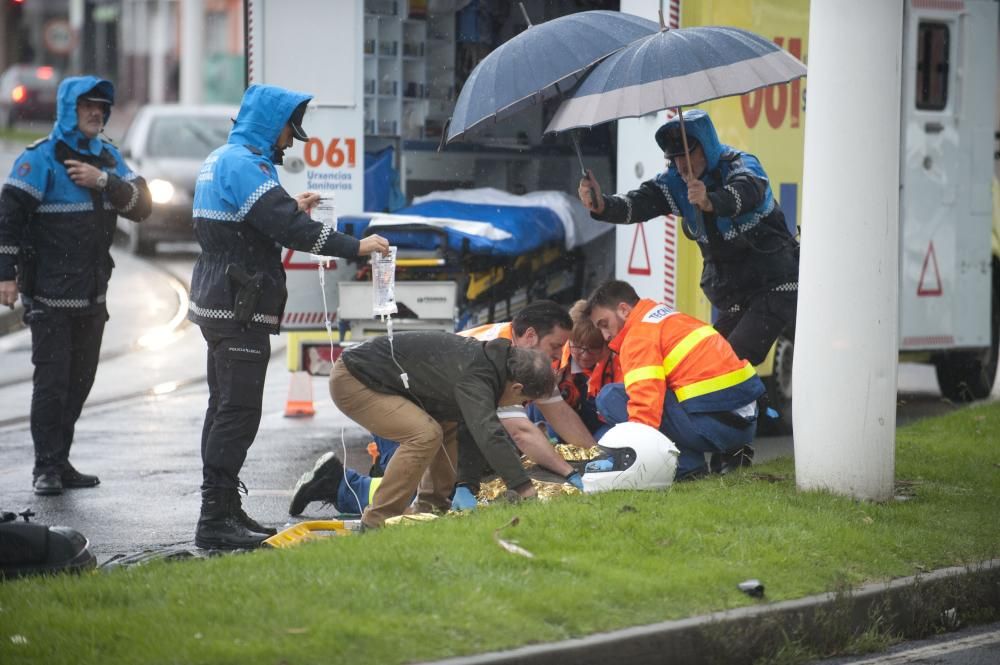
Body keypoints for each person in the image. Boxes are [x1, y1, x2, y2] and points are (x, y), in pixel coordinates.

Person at [189, 83, 389, 550]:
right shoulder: (245, 164)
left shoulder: (222, 159)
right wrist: (355, 247)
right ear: (270, 125)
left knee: (222, 409)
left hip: (221, 300)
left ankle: (224, 507)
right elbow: (288, 229)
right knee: (236, 414)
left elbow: (242, 223)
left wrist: (285, 208)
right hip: (238, 305)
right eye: (287, 132)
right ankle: (214, 519)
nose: (289, 142)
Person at [0, 76, 152, 496]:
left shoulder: (108, 158)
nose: (96, 113)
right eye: (87, 106)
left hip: (92, 295)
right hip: (48, 294)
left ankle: (61, 460)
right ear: (70, 109)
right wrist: (6, 275)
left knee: (79, 382)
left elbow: (143, 207)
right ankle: (45, 468)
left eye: (102, 107)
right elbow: (8, 217)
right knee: (51, 383)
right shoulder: (40, 159)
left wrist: (103, 181)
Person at [578, 109, 798, 368]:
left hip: (776, 286)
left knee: (730, 364)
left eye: (688, 152)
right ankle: (751, 408)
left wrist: (710, 201)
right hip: (736, 298)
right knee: (702, 364)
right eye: (674, 156)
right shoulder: (674, 182)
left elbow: (748, 189)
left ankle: (756, 409)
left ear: (707, 146)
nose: (681, 164)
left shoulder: (741, 164)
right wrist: (602, 205)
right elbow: (638, 203)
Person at [329, 331, 555, 530]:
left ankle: (432, 508)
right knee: (424, 434)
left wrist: (467, 484)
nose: (520, 406)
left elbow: (469, 428)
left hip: (371, 376)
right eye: (524, 400)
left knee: (448, 425)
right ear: (517, 387)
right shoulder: (477, 375)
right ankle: (376, 521)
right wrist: (524, 488)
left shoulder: (489, 366)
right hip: (353, 379)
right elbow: (489, 434)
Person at [586, 280, 765, 481]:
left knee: (610, 396)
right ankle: (723, 455)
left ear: (624, 310)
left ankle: (687, 468)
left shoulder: (639, 336)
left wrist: (639, 460)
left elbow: (644, 412)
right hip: (744, 425)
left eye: (604, 324)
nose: (605, 335)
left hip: (717, 427)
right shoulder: (668, 317)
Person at [529, 300, 622, 441]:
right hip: (559, 422)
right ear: (568, 340)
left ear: (607, 343)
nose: (584, 356)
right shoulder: (552, 358)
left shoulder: (619, 364)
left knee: (606, 442)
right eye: (578, 347)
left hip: (601, 427)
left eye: (593, 349)